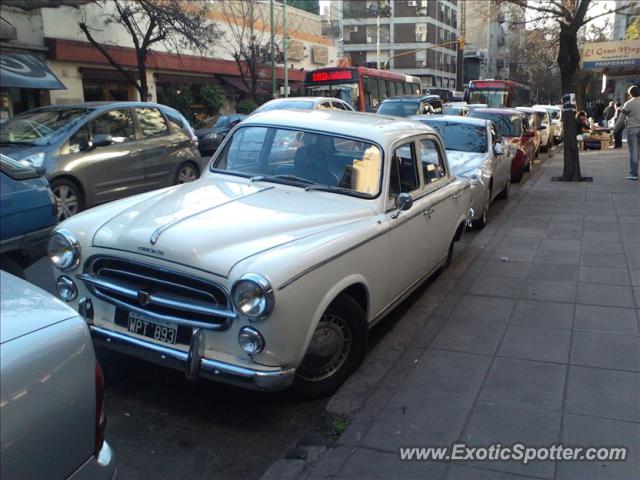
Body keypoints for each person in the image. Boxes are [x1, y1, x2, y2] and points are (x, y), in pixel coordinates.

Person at [614, 85, 640, 181]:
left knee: (634, 152)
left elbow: (621, 119)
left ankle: (634, 174)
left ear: (630, 94)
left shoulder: (628, 104)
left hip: (632, 129)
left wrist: (615, 130)